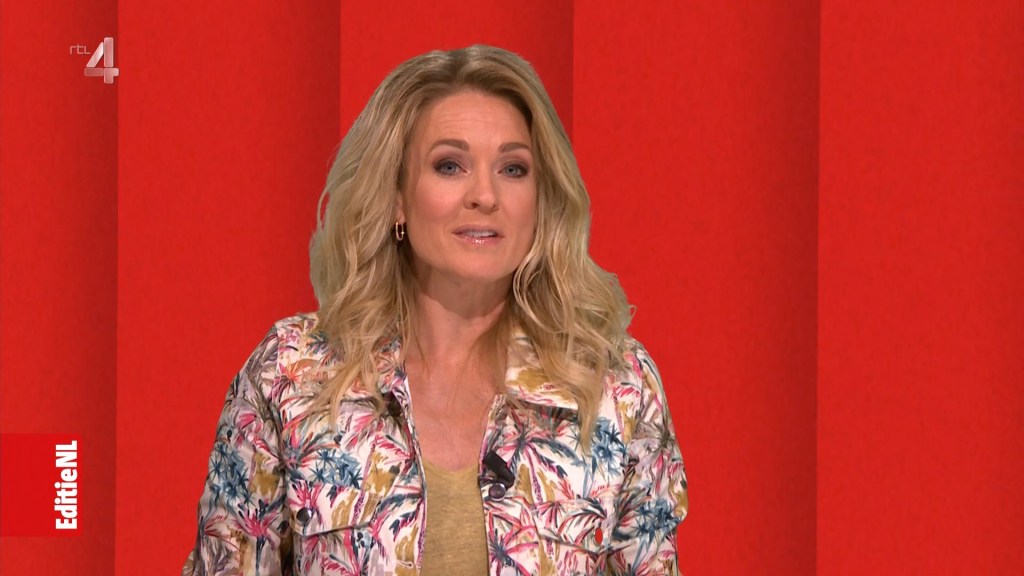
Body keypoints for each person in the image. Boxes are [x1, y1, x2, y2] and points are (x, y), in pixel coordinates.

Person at [182, 44, 688, 576]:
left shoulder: (616, 387)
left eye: (513, 168)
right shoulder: (291, 374)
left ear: (541, 202)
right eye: (450, 166)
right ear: (397, 197)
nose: (485, 195)